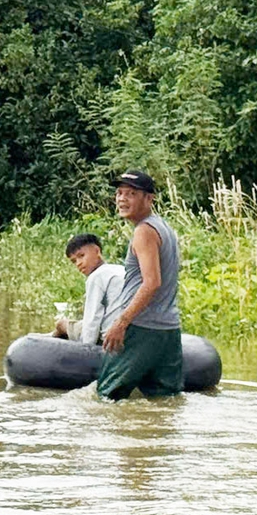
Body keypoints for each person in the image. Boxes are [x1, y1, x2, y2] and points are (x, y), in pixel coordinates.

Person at [97, 170, 183, 400]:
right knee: (166, 401)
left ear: (149, 199)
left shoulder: (144, 231)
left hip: (141, 329)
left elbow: (152, 282)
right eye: (119, 193)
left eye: (131, 193)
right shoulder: (164, 228)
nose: (122, 199)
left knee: (107, 398)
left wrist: (122, 322)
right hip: (168, 331)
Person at [54, 232, 127, 345]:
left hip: (109, 336)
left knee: (61, 324)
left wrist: (85, 350)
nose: (78, 263)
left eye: (81, 256)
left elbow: (92, 322)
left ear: (97, 251)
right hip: (130, 332)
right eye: (74, 261)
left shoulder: (96, 277)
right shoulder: (120, 270)